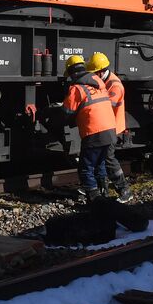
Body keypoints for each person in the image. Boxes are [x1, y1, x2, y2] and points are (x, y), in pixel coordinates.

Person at [62, 54, 115, 202]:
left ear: (72, 73)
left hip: (94, 132)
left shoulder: (76, 89)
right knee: (100, 163)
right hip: (110, 130)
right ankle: (104, 193)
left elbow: (67, 112)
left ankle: (94, 198)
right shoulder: (99, 84)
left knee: (86, 167)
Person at [87, 51, 133, 201]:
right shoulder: (104, 81)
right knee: (101, 158)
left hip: (113, 127)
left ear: (100, 72)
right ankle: (103, 190)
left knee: (108, 158)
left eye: (94, 73)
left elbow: (106, 105)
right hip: (106, 126)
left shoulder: (115, 85)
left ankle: (124, 190)